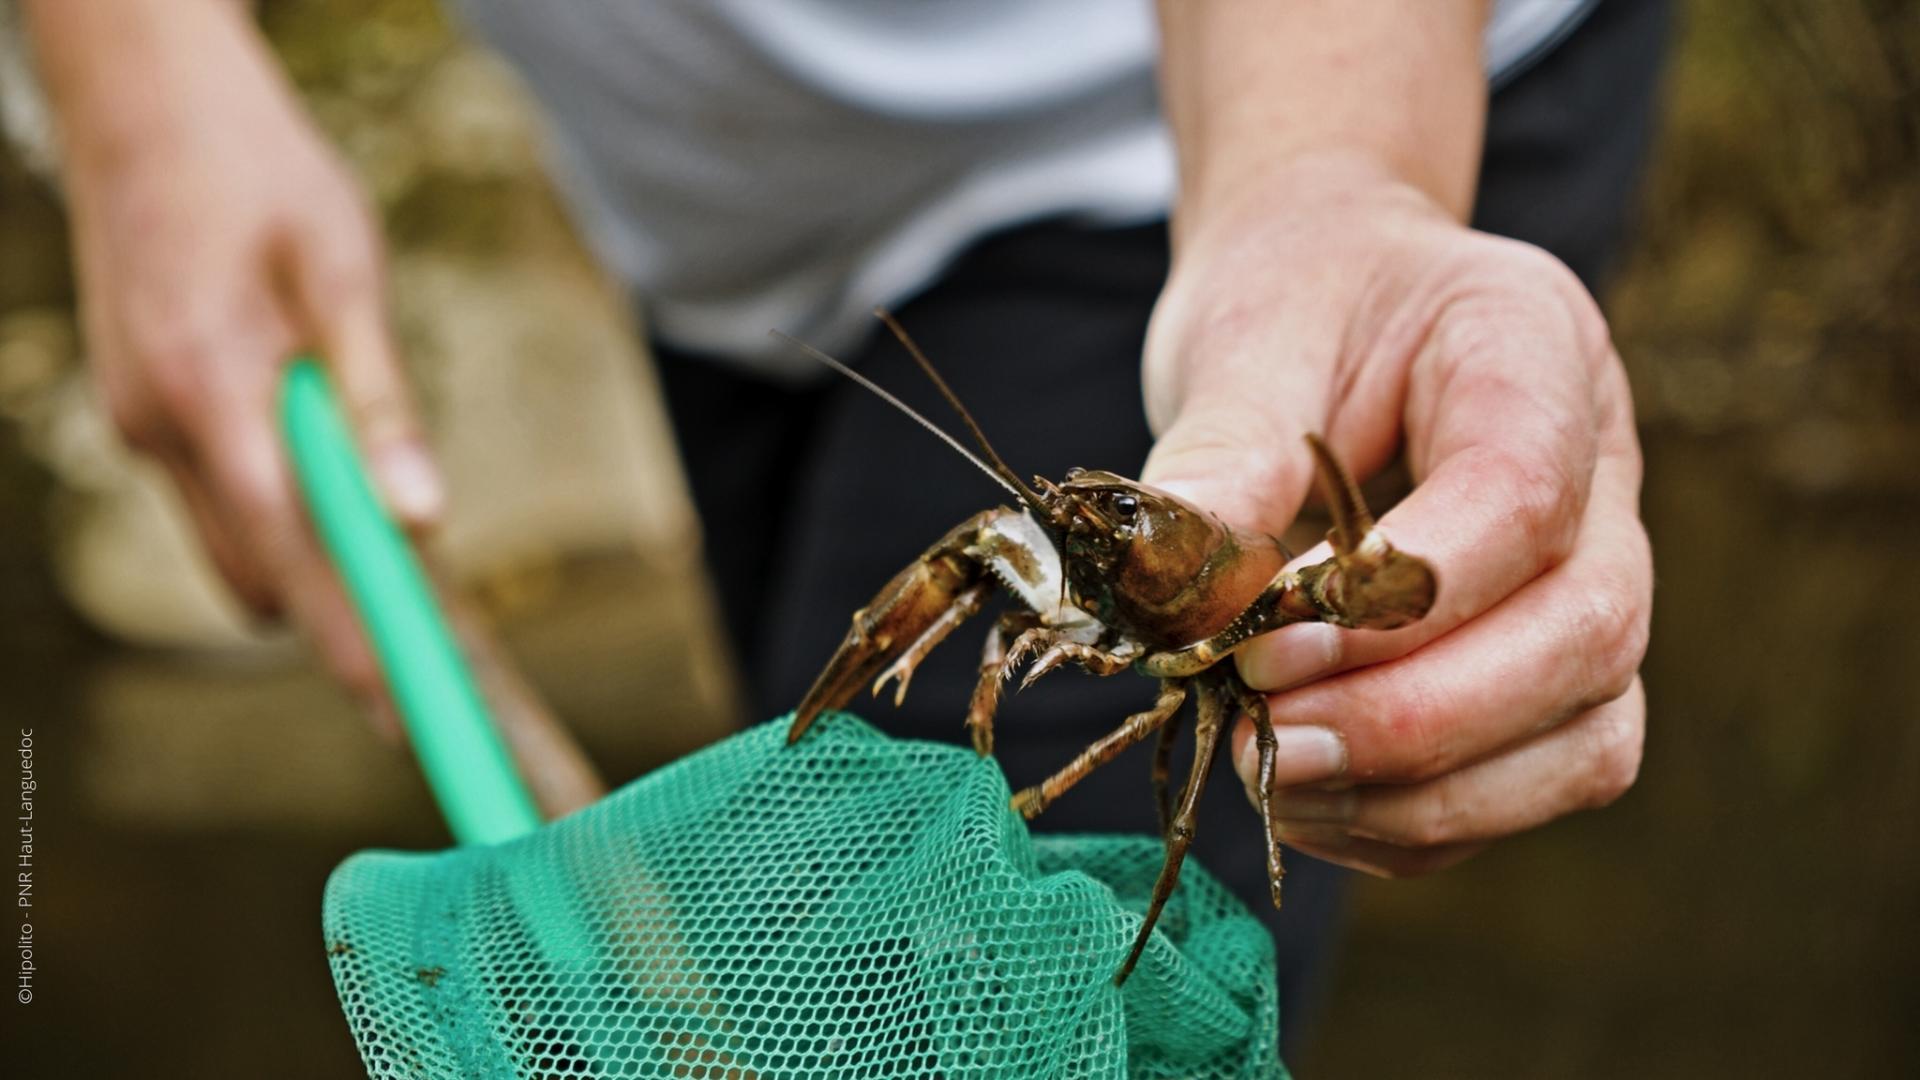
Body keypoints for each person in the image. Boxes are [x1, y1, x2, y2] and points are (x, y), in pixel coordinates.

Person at [21, 0, 1663, 1049]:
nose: (1063, 526)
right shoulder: (1058, 551)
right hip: (720, 232)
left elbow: (1330, 598)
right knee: (834, 770)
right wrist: (135, 69)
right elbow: (988, 572)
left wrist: (1331, 179)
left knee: (934, 982)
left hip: (1210, 136)